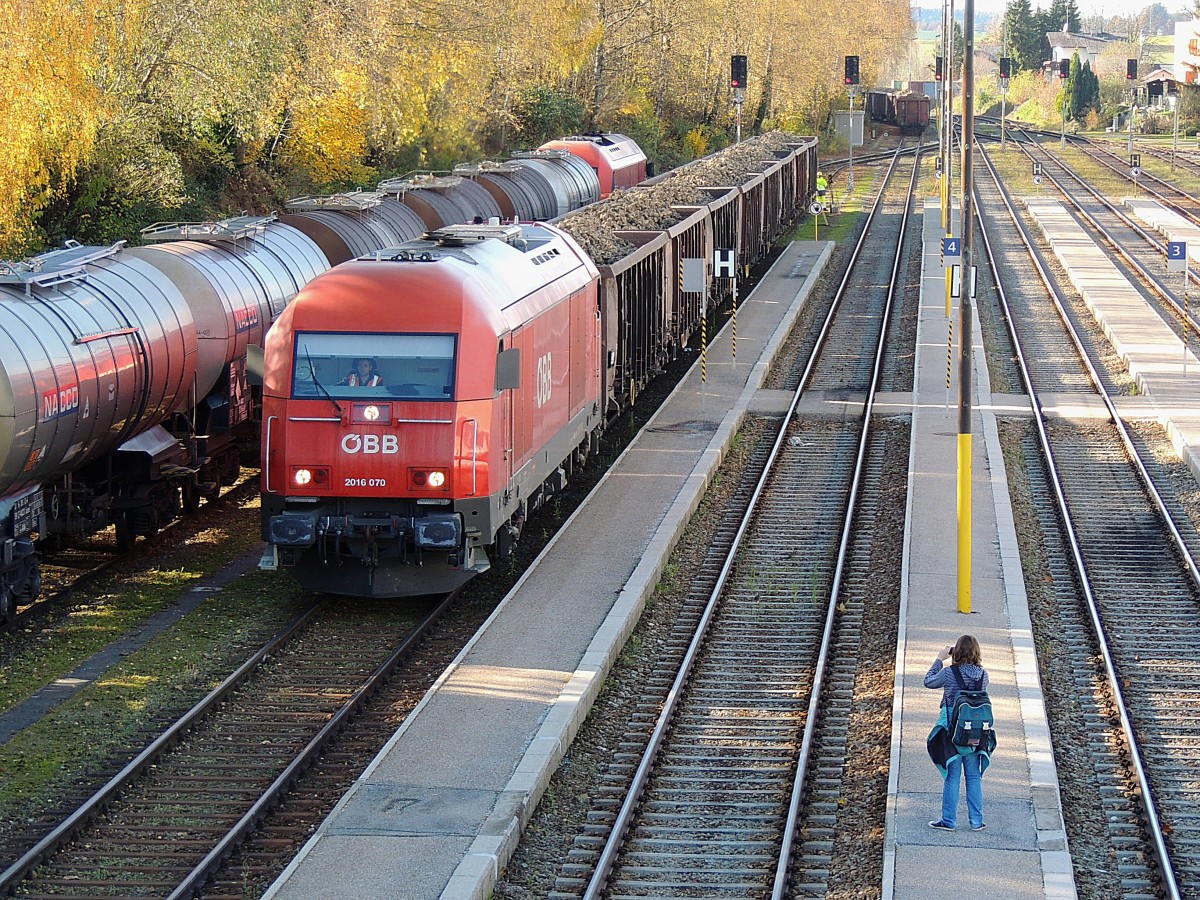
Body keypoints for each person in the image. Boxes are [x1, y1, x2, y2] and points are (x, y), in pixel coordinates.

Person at [924, 634, 990, 832]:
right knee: (973, 776)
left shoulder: (949, 673)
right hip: (976, 730)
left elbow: (928, 681)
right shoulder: (983, 675)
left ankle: (948, 821)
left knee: (952, 776)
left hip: (952, 730)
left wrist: (939, 659)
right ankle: (977, 822)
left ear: (957, 652)